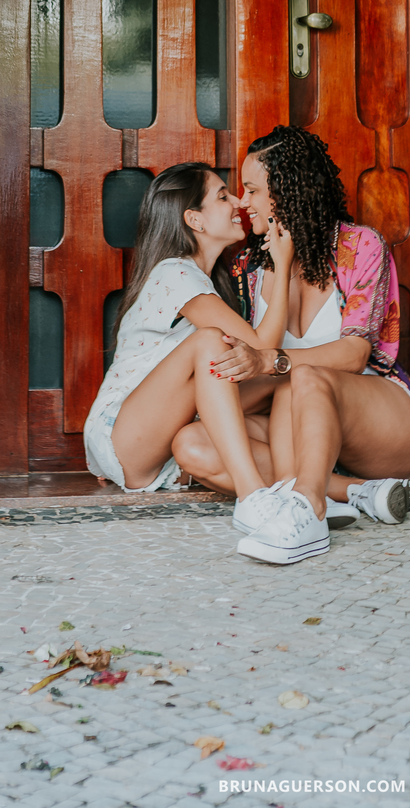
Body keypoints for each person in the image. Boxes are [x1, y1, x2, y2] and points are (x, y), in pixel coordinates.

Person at [171, 126, 410, 566]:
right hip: (297, 428)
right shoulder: (248, 267)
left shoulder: (360, 246)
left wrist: (268, 360)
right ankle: (354, 494)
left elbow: (355, 355)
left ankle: (309, 511)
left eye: (252, 190)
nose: (243, 203)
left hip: (374, 418)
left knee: (302, 376)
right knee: (193, 442)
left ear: (287, 192)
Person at [83, 162, 305, 541]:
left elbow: (258, 360)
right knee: (213, 343)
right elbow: (261, 349)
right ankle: (252, 496)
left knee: (282, 377)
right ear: (195, 220)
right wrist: (282, 266)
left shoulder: (205, 280)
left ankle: (332, 488)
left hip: (156, 439)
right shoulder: (176, 273)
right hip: (123, 435)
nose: (238, 203)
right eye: (223, 196)